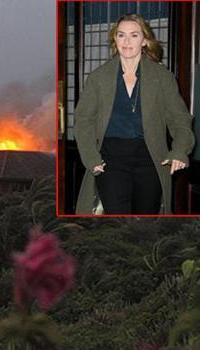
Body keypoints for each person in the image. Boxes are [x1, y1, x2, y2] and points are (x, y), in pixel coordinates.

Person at [74, 14, 195, 215]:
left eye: (134, 35)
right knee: (115, 221)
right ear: (115, 40)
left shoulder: (163, 77)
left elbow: (179, 118)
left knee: (145, 220)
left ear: (145, 41)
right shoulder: (98, 78)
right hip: (109, 158)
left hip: (151, 157)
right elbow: (83, 120)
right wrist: (91, 157)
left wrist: (180, 150)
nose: (127, 41)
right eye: (121, 35)